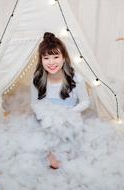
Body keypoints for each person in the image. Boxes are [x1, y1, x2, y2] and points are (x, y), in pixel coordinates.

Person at [30, 32, 90, 169]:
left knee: (71, 153)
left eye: (56, 57)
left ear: (64, 58)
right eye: (46, 58)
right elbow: (34, 103)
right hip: (46, 119)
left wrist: (68, 113)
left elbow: (85, 102)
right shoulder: (37, 79)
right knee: (39, 151)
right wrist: (46, 115)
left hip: (70, 119)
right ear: (41, 60)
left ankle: (63, 151)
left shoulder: (76, 78)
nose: (51, 62)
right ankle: (50, 152)